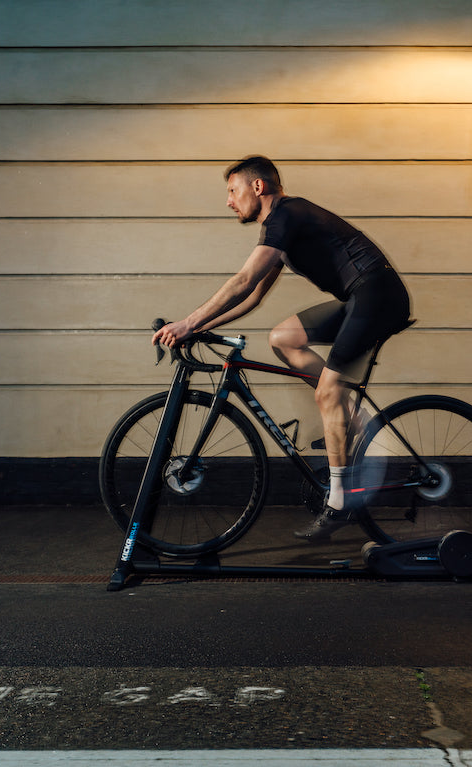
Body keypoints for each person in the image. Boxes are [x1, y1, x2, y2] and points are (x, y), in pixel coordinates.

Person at [154, 155, 412, 540]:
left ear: (258, 187)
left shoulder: (287, 214)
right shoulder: (282, 229)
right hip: (362, 296)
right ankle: (351, 415)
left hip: (379, 295)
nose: (228, 201)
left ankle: (340, 502)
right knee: (283, 338)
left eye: (232, 190)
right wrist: (198, 327)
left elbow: (243, 280)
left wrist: (188, 322)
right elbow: (252, 297)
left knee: (327, 391)